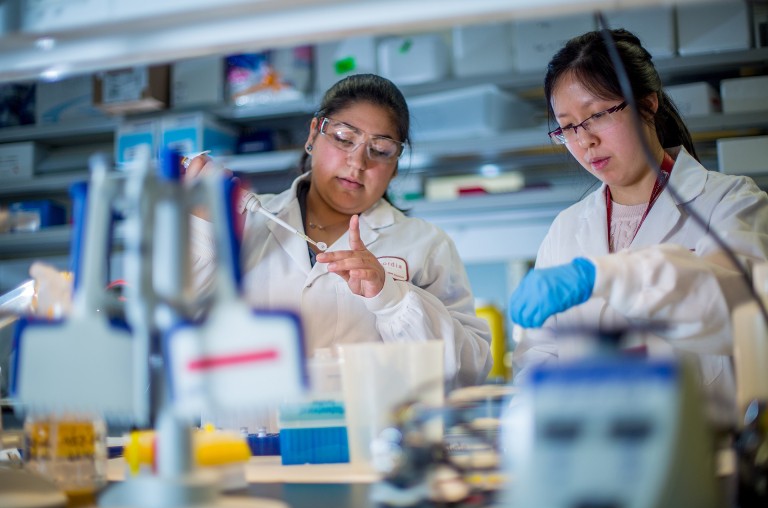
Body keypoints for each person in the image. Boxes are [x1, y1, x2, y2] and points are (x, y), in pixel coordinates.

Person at [508, 29, 768, 426]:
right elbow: (540, 358)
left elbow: (740, 309)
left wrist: (604, 276)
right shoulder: (566, 229)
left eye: (596, 115)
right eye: (568, 127)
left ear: (647, 104)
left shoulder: (730, 203)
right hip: (592, 456)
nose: (585, 141)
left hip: (708, 459)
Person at [186, 73, 492, 389]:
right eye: (344, 138)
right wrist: (202, 229)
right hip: (247, 436)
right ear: (313, 135)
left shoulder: (426, 245)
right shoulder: (243, 222)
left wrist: (392, 297)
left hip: (372, 435)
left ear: (395, 165)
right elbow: (168, 329)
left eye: (381, 150)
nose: (357, 162)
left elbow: (467, 372)